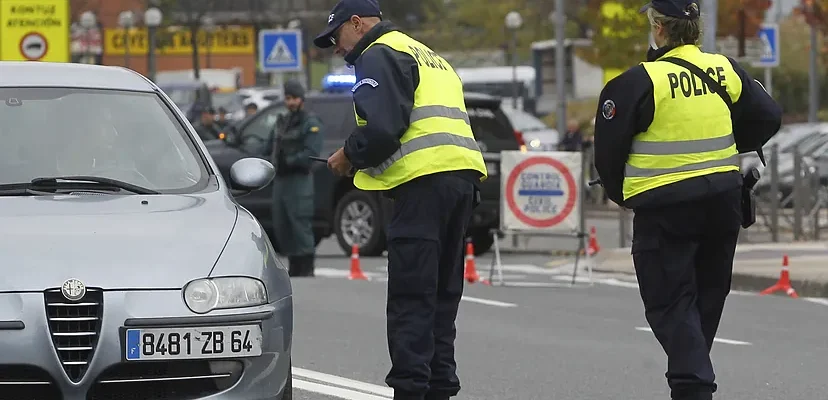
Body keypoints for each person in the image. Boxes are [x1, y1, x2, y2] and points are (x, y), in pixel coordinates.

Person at [592, 1, 782, 399]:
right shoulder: (724, 68)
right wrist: (733, 144)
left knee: (670, 304)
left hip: (666, 211)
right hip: (723, 202)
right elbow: (768, 115)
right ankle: (691, 381)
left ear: (659, 29)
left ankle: (694, 386)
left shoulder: (639, 82)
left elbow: (608, 155)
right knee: (706, 299)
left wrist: (622, 194)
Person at [313, 1, 488, 398]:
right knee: (442, 297)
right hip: (460, 182)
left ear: (357, 24)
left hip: (422, 186)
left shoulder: (378, 53)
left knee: (412, 297)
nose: (337, 48)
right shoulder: (428, 55)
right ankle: (440, 387)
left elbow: (382, 131)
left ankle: (411, 390)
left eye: (336, 37)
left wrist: (347, 157)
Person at [269, 79, 323, 277]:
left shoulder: (310, 123)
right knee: (283, 225)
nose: (291, 102)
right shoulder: (282, 122)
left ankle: (306, 267)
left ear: (302, 99)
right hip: (281, 182)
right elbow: (269, 147)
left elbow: (311, 153)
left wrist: (290, 161)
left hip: (299, 181)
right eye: (288, 98)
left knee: (300, 224)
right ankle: (293, 264)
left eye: (294, 98)